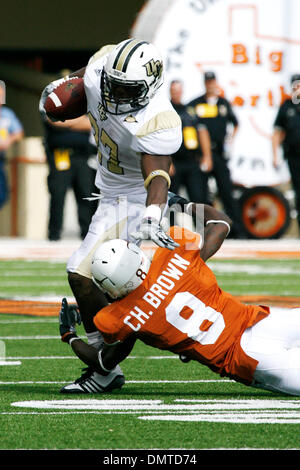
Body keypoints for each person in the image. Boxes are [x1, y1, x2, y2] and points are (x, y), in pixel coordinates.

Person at [39, 39, 183, 392]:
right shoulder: (102, 69)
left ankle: (106, 365)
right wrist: (58, 94)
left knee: (82, 271)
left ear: (150, 85)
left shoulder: (160, 118)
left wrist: (152, 214)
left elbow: (158, 174)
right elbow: (80, 83)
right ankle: (110, 358)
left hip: (133, 199)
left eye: (126, 88)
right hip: (108, 192)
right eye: (113, 84)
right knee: (96, 279)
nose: (115, 92)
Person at [59, 202, 300, 397]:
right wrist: (182, 205)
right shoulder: (176, 256)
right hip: (261, 321)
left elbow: (103, 362)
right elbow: (221, 222)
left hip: (245, 358)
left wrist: (70, 336)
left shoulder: (120, 318)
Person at [187, 71, 245, 238]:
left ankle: (237, 230)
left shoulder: (223, 104)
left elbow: (235, 124)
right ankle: (203, 230)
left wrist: (229, 141)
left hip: (218, 153)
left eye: (212, 81)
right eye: (207, 82)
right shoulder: (195, 104)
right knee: (200, 194)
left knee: (226, 191)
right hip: (201, 156)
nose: (210, 84)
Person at [42, 111, 96, 241]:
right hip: (61, 155)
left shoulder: (84, 104)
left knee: (86, 194)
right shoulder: (54, 102)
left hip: (83, 156)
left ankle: (87, 234)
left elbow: (90, 125)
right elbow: (53, 121)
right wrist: (79, 119)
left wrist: (66, 120)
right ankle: (54, 234)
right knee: (58, 195)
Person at [169, 80, 213, 202]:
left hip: (192, 160)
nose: (176, 93)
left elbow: (202, 132)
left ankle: (199, 221)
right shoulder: (167, 112)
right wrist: (167, 162)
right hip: (175, 162)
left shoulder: (190, 111)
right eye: (174, 91)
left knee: (198, 198)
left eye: (178, 90)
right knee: (172, 200)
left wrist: (207, 156)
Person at [272, 73, 300, 235]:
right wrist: (275, 155)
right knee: (298, 191)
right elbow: (277, 132)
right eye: (295, 86)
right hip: (294, 155)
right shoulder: (287, 106)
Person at [0, 81, 24, 209]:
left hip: (1, 160)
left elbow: (19, 133)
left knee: (2, 196)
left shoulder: (6, 114)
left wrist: (9, 139)